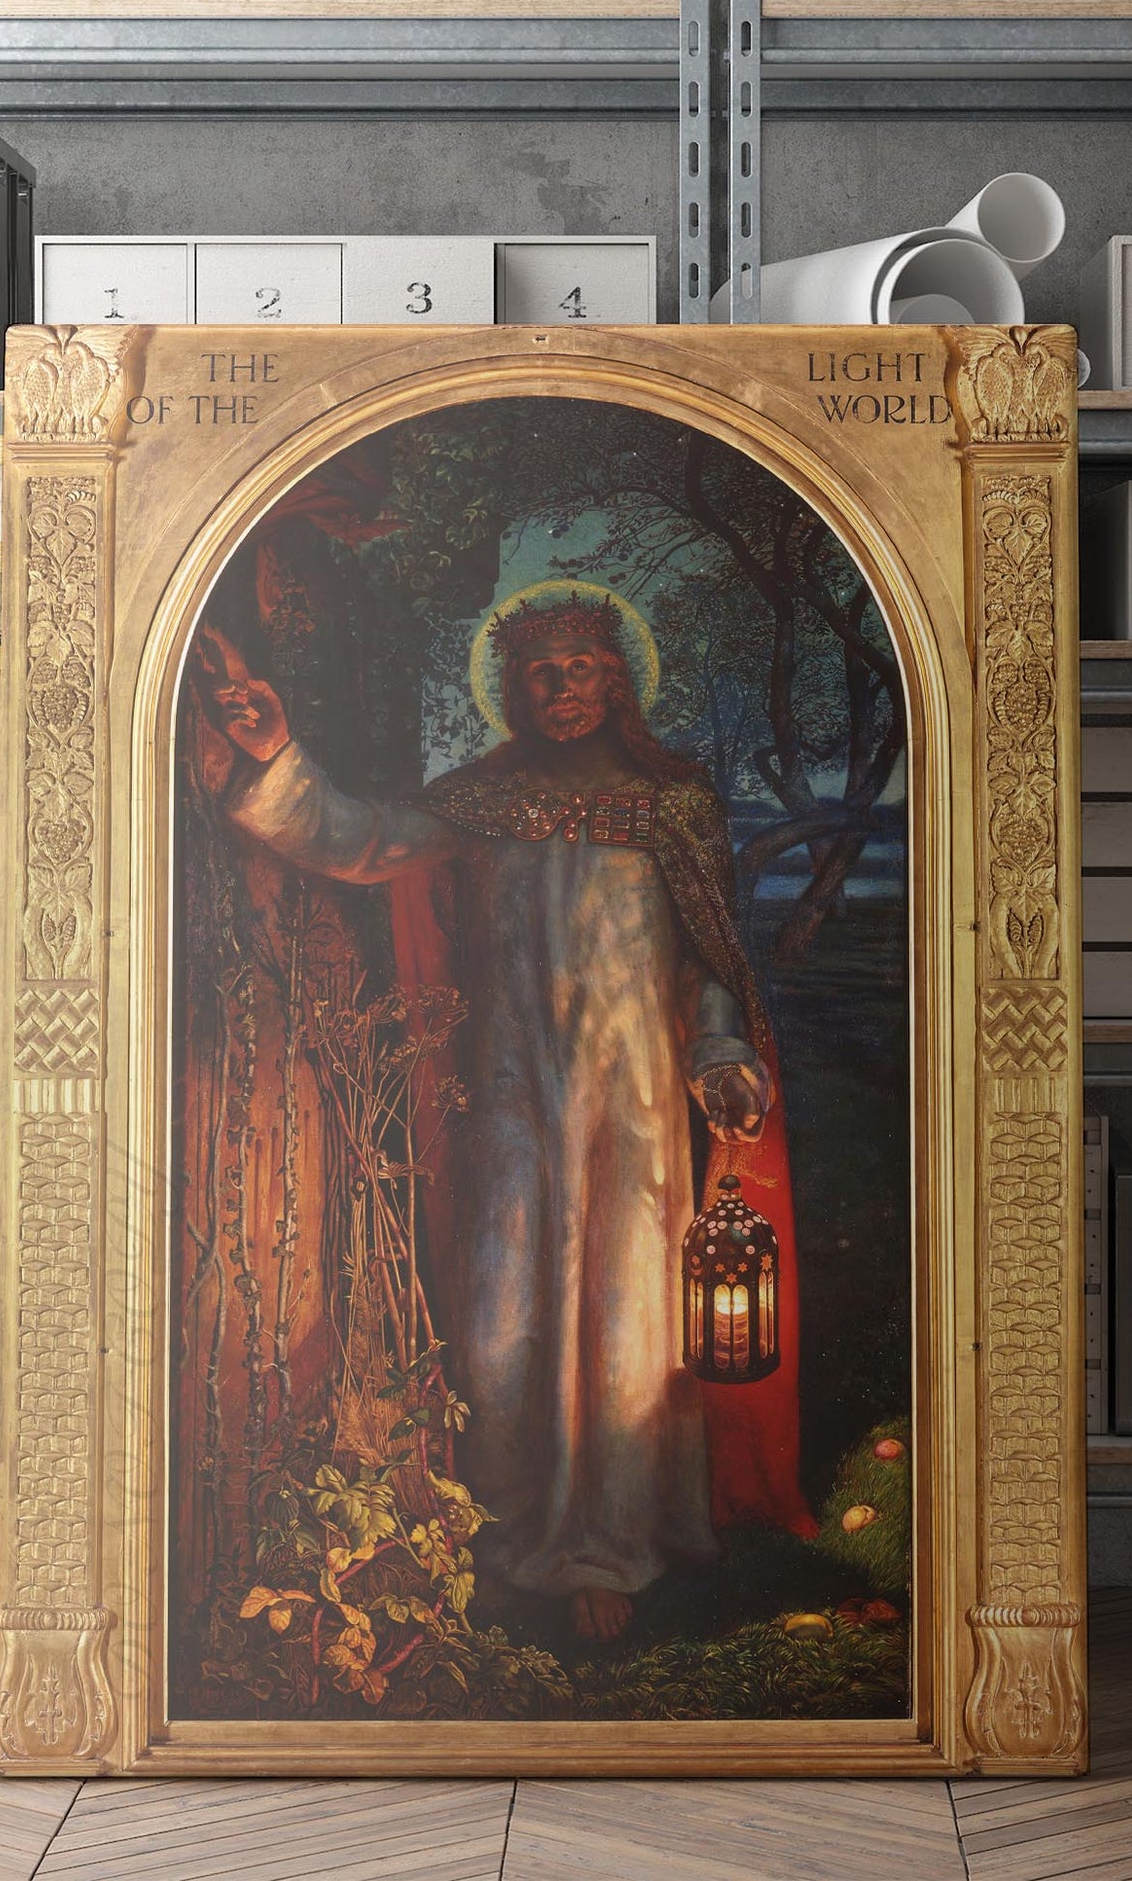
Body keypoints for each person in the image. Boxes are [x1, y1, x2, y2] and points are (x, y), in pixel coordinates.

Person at [199, 584, 803, 1642]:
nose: (562, 687)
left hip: (637, 1112)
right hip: (511, 1103)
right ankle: (509, 1532)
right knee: (499, 1327)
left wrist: (718, 1052)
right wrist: (275, 751)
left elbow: (705, 963)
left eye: (580, 667)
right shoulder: (480, 802)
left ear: (616, 679)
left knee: (632, 1325)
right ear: (513, 690)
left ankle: (613, 1541)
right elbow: (359, 838)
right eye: (540, 672)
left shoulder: (671, 804)